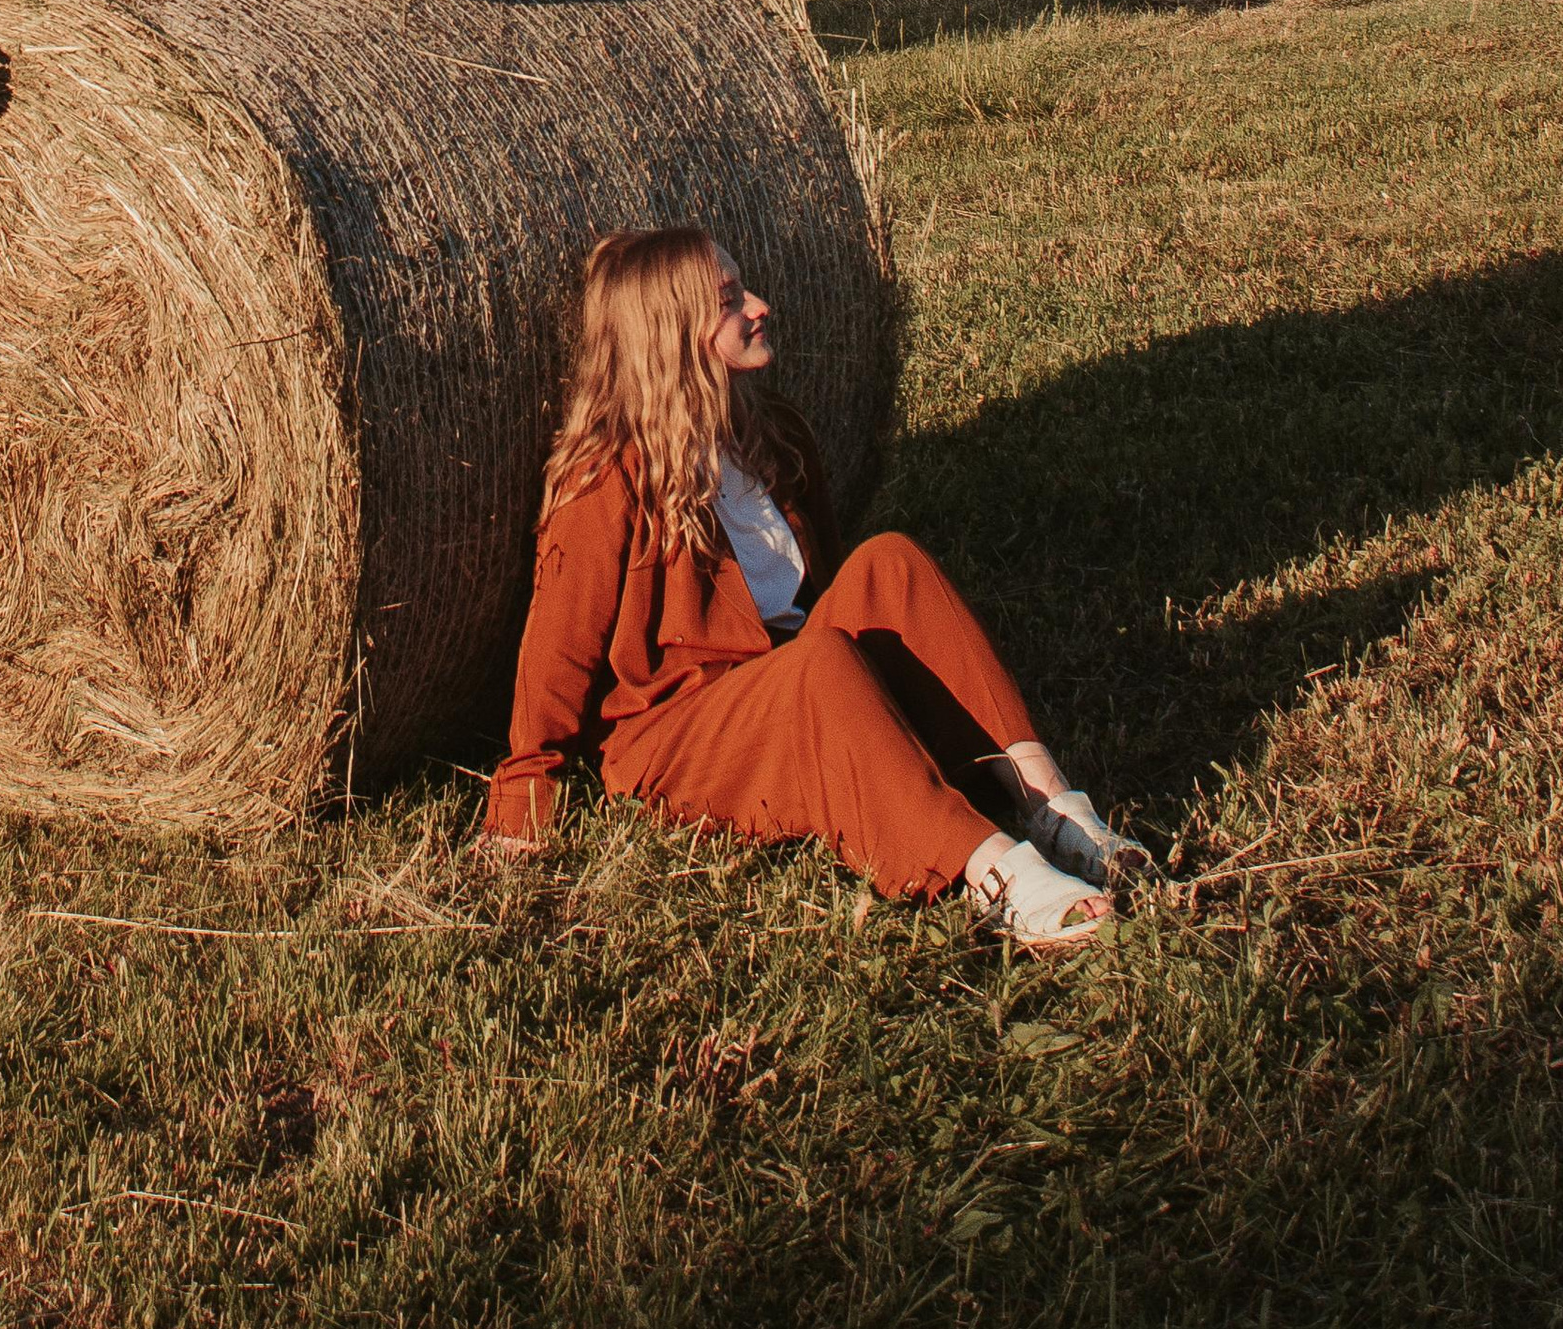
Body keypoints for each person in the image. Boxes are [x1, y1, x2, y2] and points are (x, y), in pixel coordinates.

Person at [484, 228, 1134, 950]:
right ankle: (997, 873)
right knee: (817, 663)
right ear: (673, 334)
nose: (759, 306)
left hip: (792, 676)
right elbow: (556, 654)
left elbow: (827, 581)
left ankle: (1052, 807)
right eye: (730, 300)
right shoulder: (605, 481)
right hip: (680, 732)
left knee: (889, 561)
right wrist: (523, 796)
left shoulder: (775, 435)